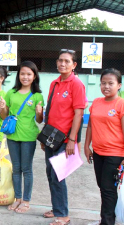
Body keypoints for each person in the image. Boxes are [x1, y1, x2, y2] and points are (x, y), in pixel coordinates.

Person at [42, 49, 85, 225]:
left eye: (67, 61)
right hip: (51, 136)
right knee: (50, 173)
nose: (62, 64)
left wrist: (72, 140)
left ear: (74, 65)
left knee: (58, 175)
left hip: (65, 139)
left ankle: (63, 215)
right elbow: (51, 110)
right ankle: (56, 207)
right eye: (60, 60)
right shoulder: (54, 83)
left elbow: (78, 114)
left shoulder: (76, 84)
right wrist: (45, 137)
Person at [0, 61, 44, 213]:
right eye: (22, 73)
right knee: (16, 168)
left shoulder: (37, 96)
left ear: (34, 76)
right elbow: (5, 116)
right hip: (12, 135)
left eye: (29, 74)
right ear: (18, 75)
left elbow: (39, 120)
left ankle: (26, 201)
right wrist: (3, 108)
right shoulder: (11, 93)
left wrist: (39, 112)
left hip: (29, 136)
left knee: (26, 169)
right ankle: (17, 199)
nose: (25, 77)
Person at [85, 68, 124, 225]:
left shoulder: (121, 104)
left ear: (119, 85)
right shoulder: (96, 102)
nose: (106, 86)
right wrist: (87, 146)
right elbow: (90, 126)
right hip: (98, 152)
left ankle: (107, 222)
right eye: (103, 83)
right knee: (104, 187)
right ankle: (106, 219)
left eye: (110, 83)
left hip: (115, 154)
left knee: (108, 190)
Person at [74, 72, 88, 153]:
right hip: (67, 119)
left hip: (79, 118)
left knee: (77, 139)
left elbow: (86, 103)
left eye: (77, 78)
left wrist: (78, 108)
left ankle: (77, 156)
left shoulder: (80, 90)